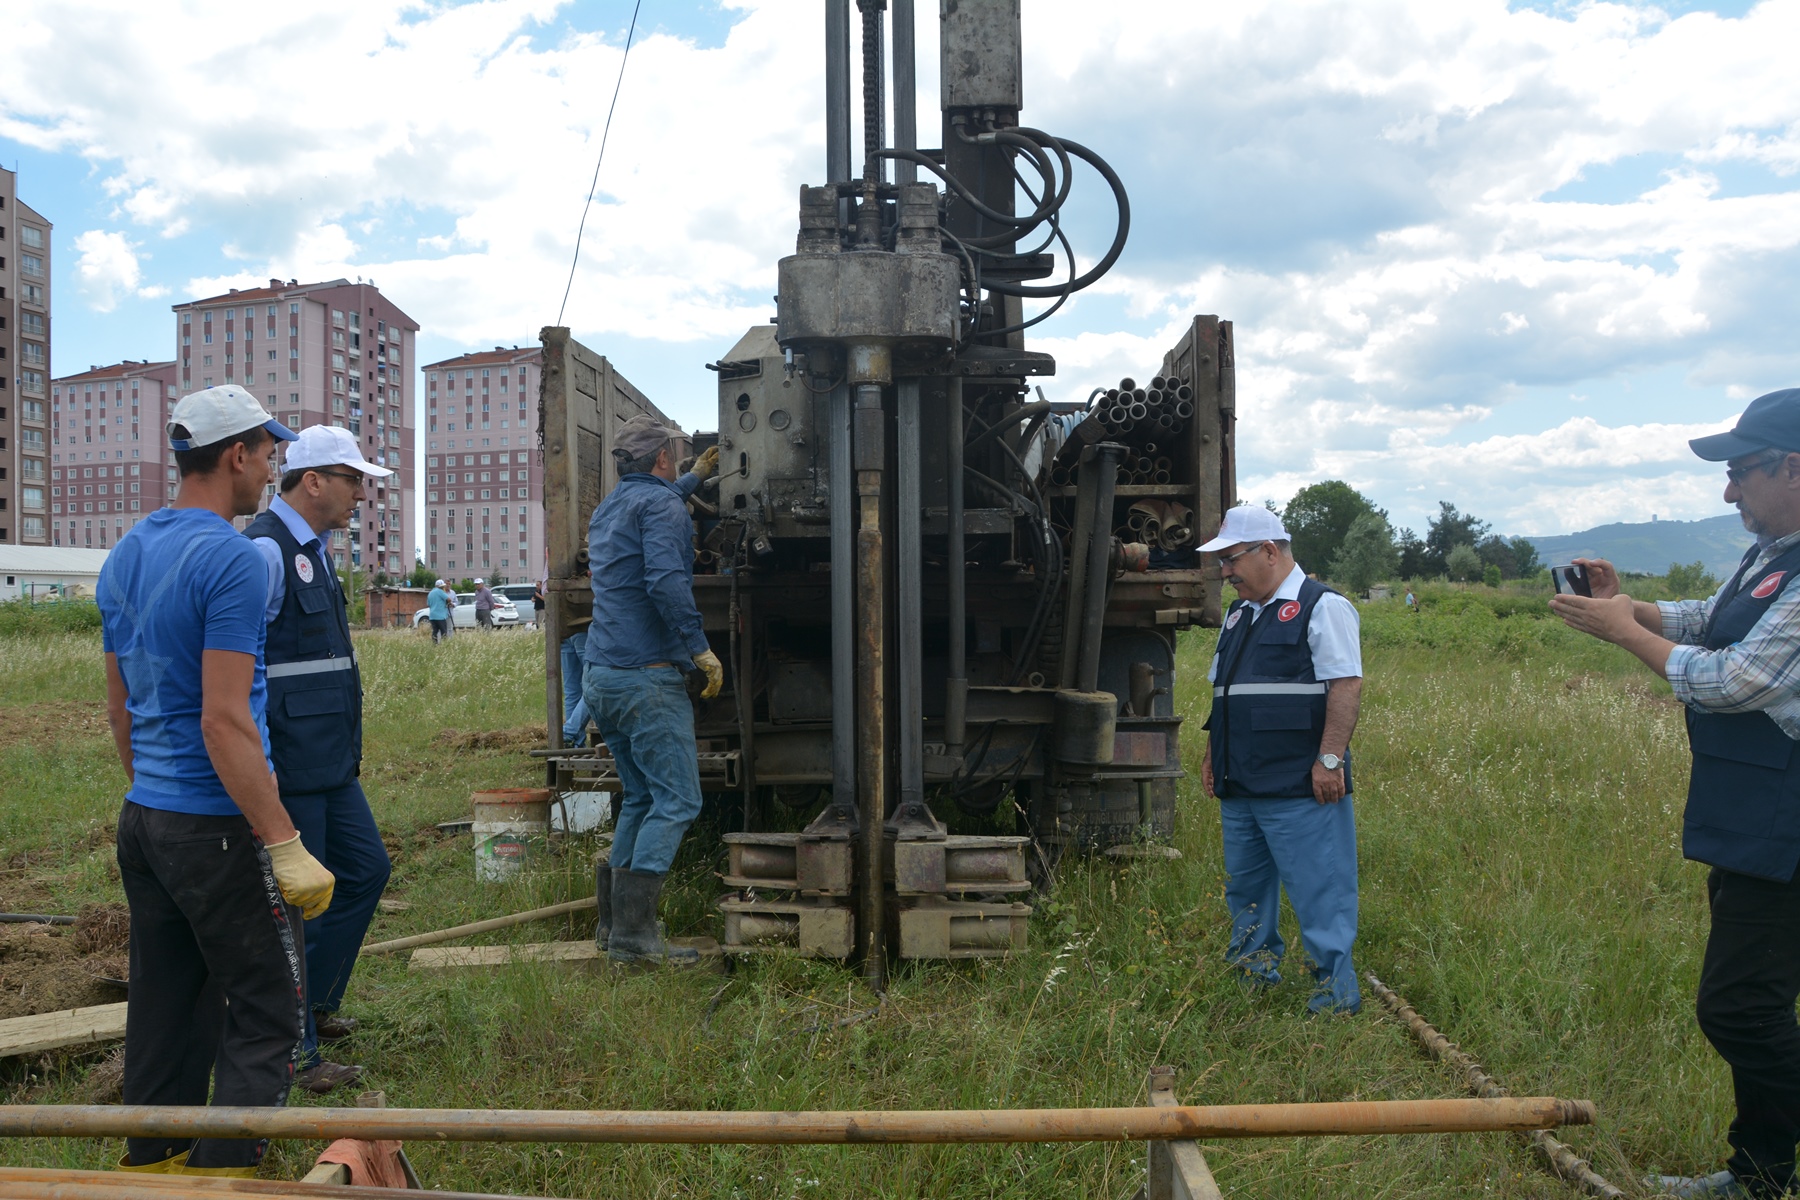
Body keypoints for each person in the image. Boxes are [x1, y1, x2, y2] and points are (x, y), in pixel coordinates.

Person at [1553, 387, 1800, 1199]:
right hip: (1754, 819)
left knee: (1739, 1011)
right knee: (1756, 1005)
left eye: (1739, 472)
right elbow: (1713, 620)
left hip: (1786, 825)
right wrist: (1634, 605)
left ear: (1792, 468)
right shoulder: (1775, 554)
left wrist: (1626, 633)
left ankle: (1761, 1173)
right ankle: (1761, 1174)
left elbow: (1736, 680)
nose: (1729, 492)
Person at [98, 385, 331, 1177]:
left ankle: (153, 1169)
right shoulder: (231, 559)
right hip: (219, 825)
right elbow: (224, 719)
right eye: (269, 454)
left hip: (148, 819)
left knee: (165, 1008)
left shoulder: (128, 551)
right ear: (237, 454)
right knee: (269, 1011)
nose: (272, 470)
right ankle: (220, 1179)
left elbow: (121, 708)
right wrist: (283, 842)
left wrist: (159, 802)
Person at [245, 424, 393, 1096]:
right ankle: (296, 1051)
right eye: (352, 479)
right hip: (289, 768)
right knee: (298, 909)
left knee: (365, 870)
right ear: (313, 482)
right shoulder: (265, 554)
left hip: (329, 761)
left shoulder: (316, 550)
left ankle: (317, 1005)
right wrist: (261, 772)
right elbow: (237, 672)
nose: (361, 493)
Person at [1198, 504, 1365, 1015]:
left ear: (1269, 551)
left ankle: (1336, 996)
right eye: (1221, 562)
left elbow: (1346, 685)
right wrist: (1212, 753)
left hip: (1300, 785)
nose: (1225, 573)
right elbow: (1224, 692)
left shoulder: (1322, 607)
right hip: (1241, 782)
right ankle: (1251, 976)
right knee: (1246, 888)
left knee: (1321, 891)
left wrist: (1330, 761)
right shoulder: (1240, 613)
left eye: (1231, 560)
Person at [582, 415, 720, 965]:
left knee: (640, 797)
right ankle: (637, 941)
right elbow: (665, 581)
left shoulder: (612, 505)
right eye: (676, 454)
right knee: (679, 798)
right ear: (662, 457)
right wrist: (700, 648)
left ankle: (614, 930)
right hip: (645, 678)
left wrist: (693, 482)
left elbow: (650, 510)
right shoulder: (660, 507)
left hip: (602, 675)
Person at [426, 579, 451, 643]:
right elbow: (448, 599)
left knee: (435, 631)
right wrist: (447, 603)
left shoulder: (430, 593)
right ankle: (444, 645)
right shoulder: (440, 591)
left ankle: (435, 644)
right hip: (440, 616)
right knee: (443, 631)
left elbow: (428, 604)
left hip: (432, 616)